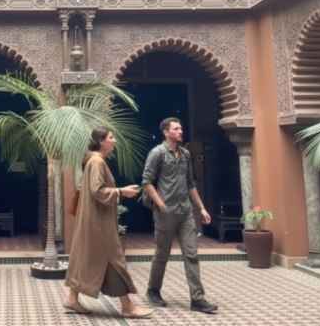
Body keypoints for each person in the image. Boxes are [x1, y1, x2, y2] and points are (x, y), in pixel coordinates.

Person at [65, 127, 153, 319]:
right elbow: (97, 190)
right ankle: (128, 306)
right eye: (111, 138)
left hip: (94, 220)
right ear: (101, 141)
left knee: (88, 259)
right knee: (115, 260)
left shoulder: (93, 161)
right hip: (99, 223)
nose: (114, 141)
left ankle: (73, 298)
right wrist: (121, 192)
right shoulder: (97, 162)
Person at [142, 117, 218, 314]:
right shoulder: (157, 153)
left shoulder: (185, 154)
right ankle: (153, 291)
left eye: (181, 128)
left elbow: (190, 184)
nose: (181, 131)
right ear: (166, 132)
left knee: (191, 254)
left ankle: (198, 299)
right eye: (176, 129)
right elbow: (147, 182)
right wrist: (161, 205)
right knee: (162, 255)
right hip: (165, 214)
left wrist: (201, 208)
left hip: (185, 213)